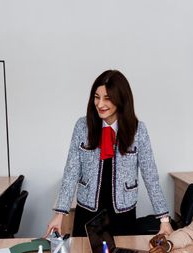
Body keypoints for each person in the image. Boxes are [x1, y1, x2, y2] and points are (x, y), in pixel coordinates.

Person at [47, 70, 172, 236]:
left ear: (121, 99)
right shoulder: (82, 126)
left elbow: (151, 176)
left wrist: (164, 219)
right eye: (96, 97)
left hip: (122, 214)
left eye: (107, 98)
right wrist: (60, 214)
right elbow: (71, 172)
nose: (100, 104)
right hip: (88, 211)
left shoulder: (138, 130)